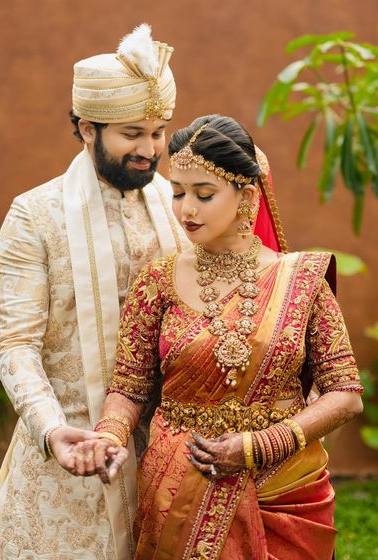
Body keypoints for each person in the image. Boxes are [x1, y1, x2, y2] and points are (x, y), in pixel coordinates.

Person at [89, 115, 364, 559]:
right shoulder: (156, 281)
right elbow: (129, 388)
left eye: (204, 194)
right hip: (179, 486)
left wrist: (258, 446)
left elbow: (346, 395)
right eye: (177, 193)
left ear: (246, 195)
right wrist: (108, 435)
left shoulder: (303, 279)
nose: (186, 210)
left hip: (285, 486)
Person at [0, 24, 187, 559]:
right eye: (132, 134)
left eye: (159, 131)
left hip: (164, 458)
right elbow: (14, 343)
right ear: (85, 129)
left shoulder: (181, 205)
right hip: (67, 462)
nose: (150, 150)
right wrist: (52, 430)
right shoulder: (35, 216)